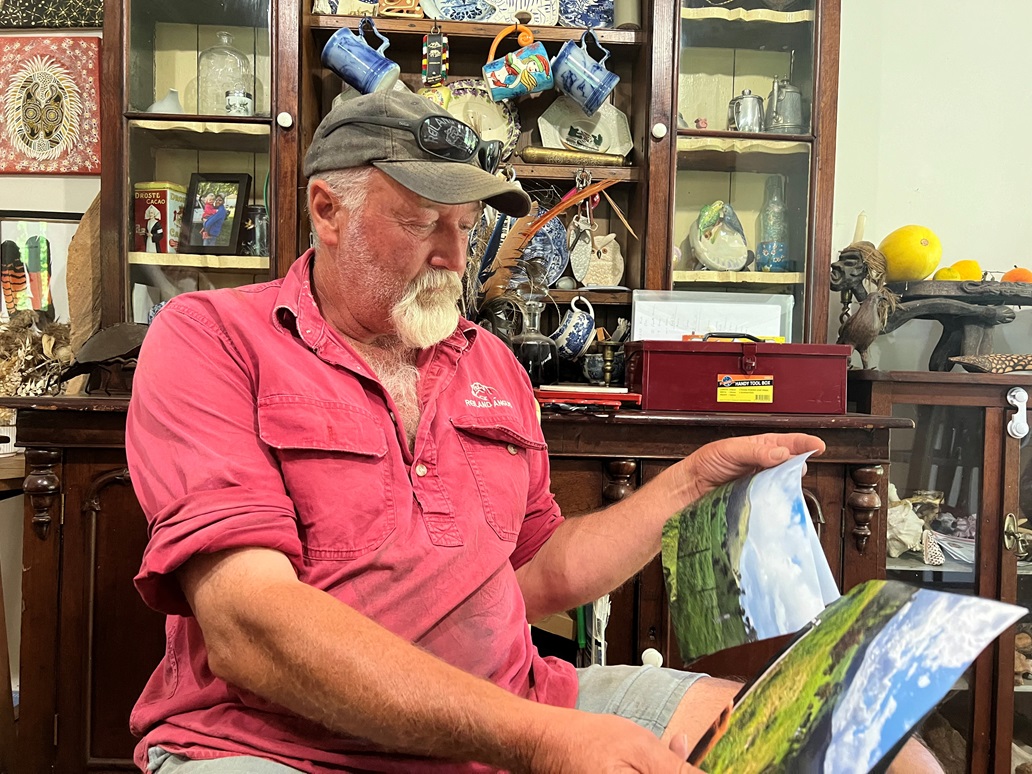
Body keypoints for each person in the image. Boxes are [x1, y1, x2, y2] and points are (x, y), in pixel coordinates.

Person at [126, 90, 941, 773]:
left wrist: (692, 482)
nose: (456, 256)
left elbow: (539, 572)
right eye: (421, 223)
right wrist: (541, 739)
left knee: (868, 741)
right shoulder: (212, 338)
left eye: (468, 225)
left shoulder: (492, 367)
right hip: (278, 744)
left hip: (516, 702)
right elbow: (246, 624)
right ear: (327, 209)